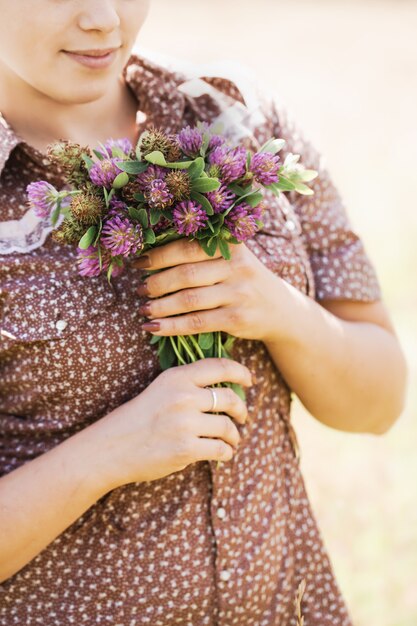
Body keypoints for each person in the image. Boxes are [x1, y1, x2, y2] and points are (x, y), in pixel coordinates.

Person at [0, 1, 408, 624]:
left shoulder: (234, 115)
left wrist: (279, 309)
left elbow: (378, 401)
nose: (104, 20)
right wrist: (108, 453)